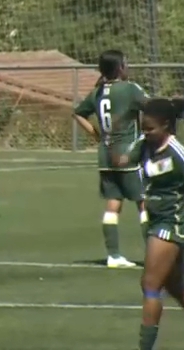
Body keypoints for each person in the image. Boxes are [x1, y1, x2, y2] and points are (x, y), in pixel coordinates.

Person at [107, 98, 184, 350]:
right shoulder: (143, 145)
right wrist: (117, 127)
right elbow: (119, 161)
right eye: (143, 128)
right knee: (179, 290)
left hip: (172, 224)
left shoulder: (179, 152)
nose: (146, 133)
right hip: (156, 223)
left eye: (150, 129)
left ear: (166, 125)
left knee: (150, 285)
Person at [73, 49, 149, 268]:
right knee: (145, 203)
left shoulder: (97, 92)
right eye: (126, 63)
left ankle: (113, 255)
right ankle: (155, 255)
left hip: (106, 156)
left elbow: (78, 113)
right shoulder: (130, 89)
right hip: (128, 155)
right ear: (120, 68)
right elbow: (152, 107)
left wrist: (96, 134)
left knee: (113, 204)